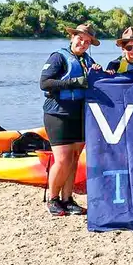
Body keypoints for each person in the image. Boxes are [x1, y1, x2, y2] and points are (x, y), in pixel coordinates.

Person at [39, 23, 101, 216]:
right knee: (63, 159)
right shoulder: (58, 57)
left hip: (79, 113)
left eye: (87, 41)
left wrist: (101, 73)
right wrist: (73, 82)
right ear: (72, 37)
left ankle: (68, 199)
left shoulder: (87, 60)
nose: (82, 43)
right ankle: (53, 199)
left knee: (74, 158)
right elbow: (45, 83)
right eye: (80, 38)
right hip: (58, 113)